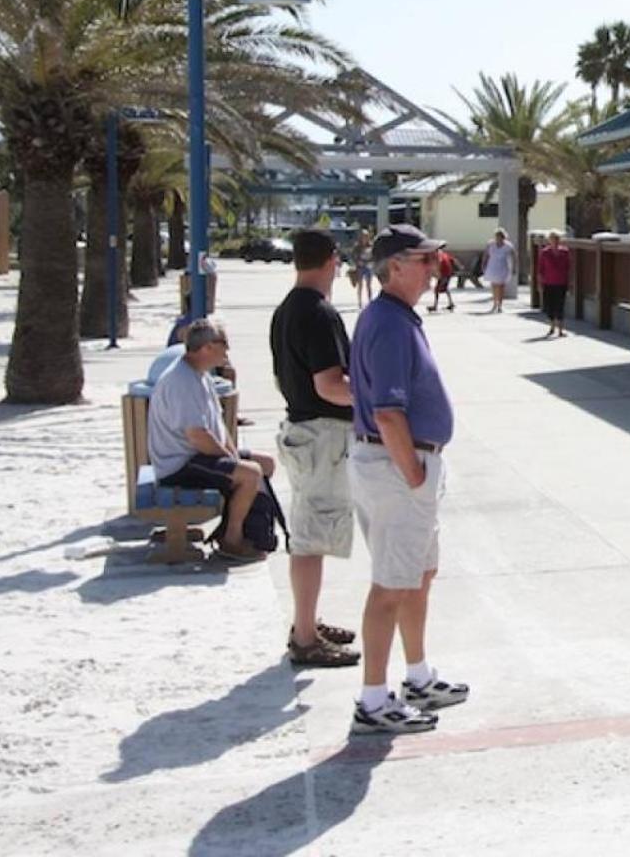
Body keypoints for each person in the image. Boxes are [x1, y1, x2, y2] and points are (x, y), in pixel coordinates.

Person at [348, 224, 468, 736]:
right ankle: (374, 699)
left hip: (406, 466)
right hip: (399, 467)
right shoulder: (390, 325)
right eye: (422, 260)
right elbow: (389, 412)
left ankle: (417, 675)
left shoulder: (397, 318)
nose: (433, 267)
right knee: (391, 585)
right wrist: (414, 474)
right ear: (395, 267)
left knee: (418, 575)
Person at [269, 230, 362, 668]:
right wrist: (374, 398)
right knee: (310, 537)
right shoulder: (318, 313)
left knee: (309, 531)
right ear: (332, 260)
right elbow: (330, 385)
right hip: (322, 436)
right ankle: (305, 637)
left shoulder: (287, 308)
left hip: (302, 430)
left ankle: (307, 621)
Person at [146, 319, 274, 564]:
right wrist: (232, 461)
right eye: (224, 345)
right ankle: (231, 540)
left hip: (197, 456)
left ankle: (238, 527)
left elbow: (217, 425)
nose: (227, 352)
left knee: (265, 464)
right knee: (250, 474)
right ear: (207, 348)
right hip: (180, 464)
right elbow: (197, 437)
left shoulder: (200, 375)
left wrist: (233, 454)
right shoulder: (180, 382)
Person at [536, 232, 572, 338]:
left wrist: (569, 282)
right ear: (549, 240)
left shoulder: (565, 252)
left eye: (556, 239)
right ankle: (552, 327)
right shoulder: (545, 252)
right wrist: (540, 283)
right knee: (549, 306)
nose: (555, 241)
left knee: (560, 305)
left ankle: (560, 330)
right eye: (552, 239)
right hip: (548, 282)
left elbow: (568, 267)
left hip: (561, 282)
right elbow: (540, 269)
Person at [481, 229, 516, 314]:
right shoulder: (490, 244)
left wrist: (514, 267)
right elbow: (486, 254)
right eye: (497, 236)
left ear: (503, 237)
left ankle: (500, 305)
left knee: (501, 287)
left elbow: (514, 256)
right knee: (494, 286)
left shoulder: (508, 245)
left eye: (500, 236)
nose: (498, 238)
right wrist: (483, 264)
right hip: (492, 266)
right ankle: (494, 304)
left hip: (502, 267)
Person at [351, 230, 375, 310]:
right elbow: (353, 256)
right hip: (360, 267)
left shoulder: (371, 245)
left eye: (366, 236)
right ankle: (360, 302)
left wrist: (371, 262)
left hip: (368, 267)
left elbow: (374, 256)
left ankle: (370, 301)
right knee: (360, 285)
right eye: (363, 236)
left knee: (369, 285)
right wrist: (357, 262)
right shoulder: (357, 246)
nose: (365, 238)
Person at [429, 249, 457, 313]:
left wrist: (436, 273)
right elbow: (453, 260)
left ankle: (435, 306)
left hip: (444, 274)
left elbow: (439, 263)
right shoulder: (444, 254)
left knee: (437, 289)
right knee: (445, 288)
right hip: (448, 274)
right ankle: (451, 303)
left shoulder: (439, 256)